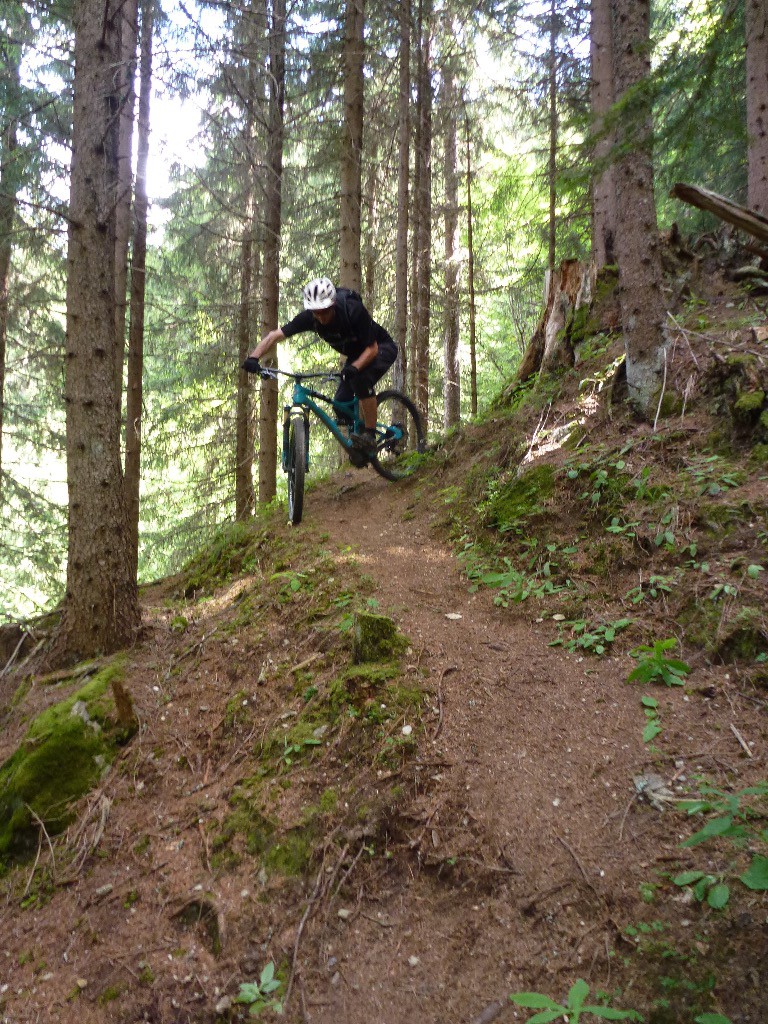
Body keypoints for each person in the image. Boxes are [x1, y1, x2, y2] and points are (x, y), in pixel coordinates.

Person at [242, 277, 398, 457]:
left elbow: (372, 349)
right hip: (356, 356)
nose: (321, 317)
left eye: (325, 311)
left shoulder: (352, 310)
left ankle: (370, 435)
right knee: (340, 404)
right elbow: (275, 335)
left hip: (381, 347)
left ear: (332, 305)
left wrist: (354, 368)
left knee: (360, 381)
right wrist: (254, 357)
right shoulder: (310, 318)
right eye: (317, 313)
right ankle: (359, 442)